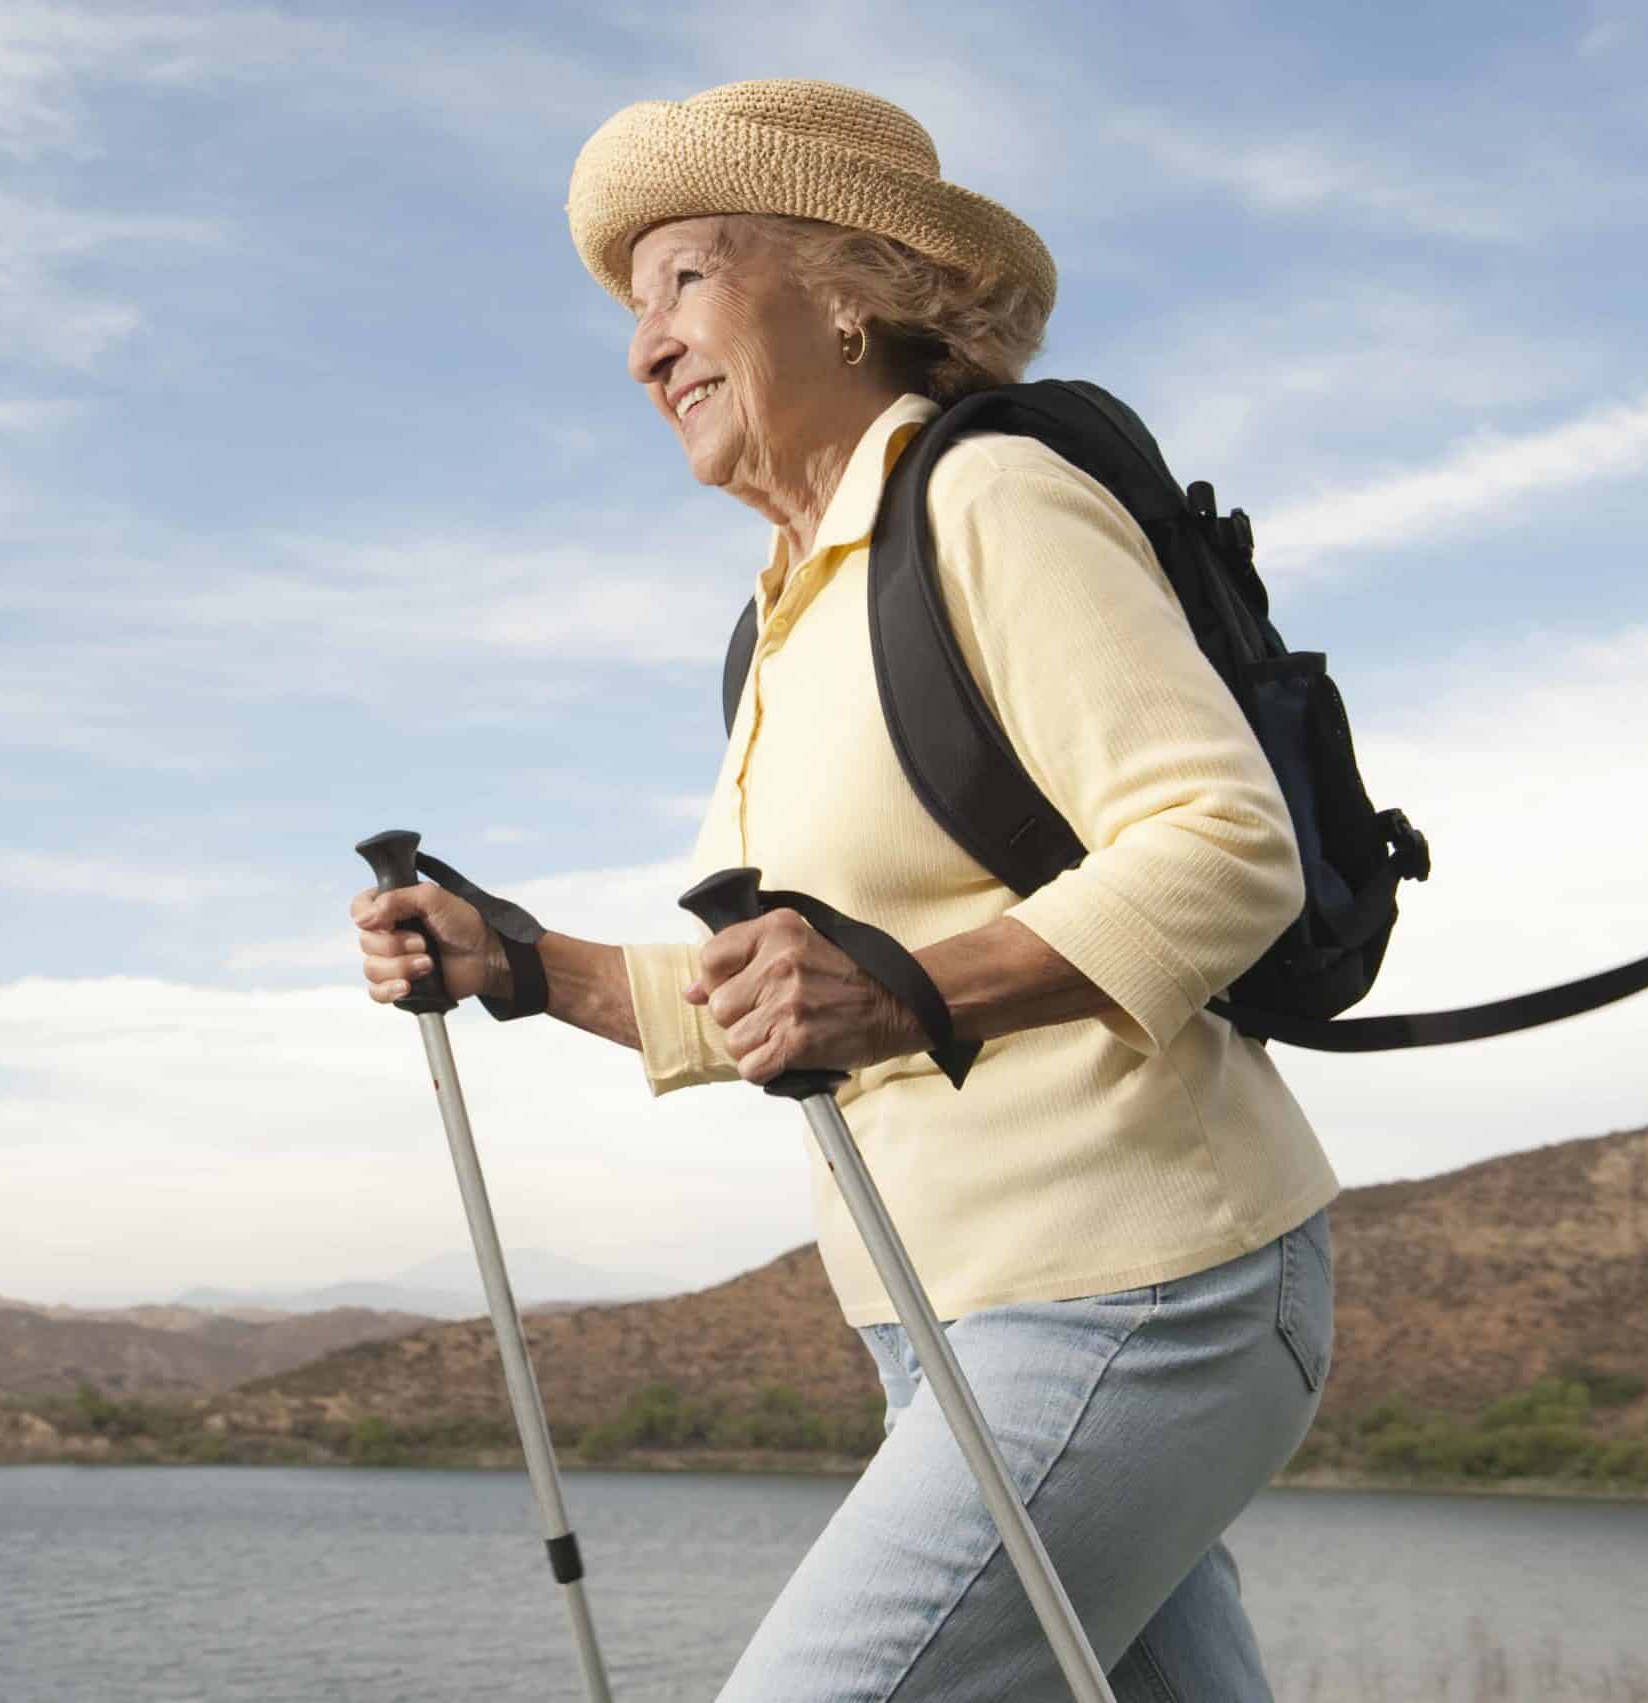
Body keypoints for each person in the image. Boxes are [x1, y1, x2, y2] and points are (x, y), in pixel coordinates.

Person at [349, 79, 1336, 1702]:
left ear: (853, 288)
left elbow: (1221, 846)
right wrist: (517, 963)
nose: (641, 347)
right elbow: (789, 989)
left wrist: (911, 993)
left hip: (1132, 1292)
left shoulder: (985, 499)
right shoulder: (789, 620)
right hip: (950, 1330)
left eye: (684, 280)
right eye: (632, 307)